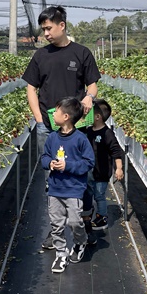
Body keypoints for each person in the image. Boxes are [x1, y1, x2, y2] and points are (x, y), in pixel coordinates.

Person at [22, 5, 100, 249]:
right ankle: (56, 231)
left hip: (78, 129)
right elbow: (31, 88)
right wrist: (38, 118)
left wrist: (89, 97)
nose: (45, 33)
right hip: (49, 127)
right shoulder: (41, 56)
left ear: (62, 25)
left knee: (82, 176)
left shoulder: (81, 53)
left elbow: (93, 85)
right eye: (43, 29)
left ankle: (84, 221)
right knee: (52, 179)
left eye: (48, 28)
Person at [41, 97, 96, 273]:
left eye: (56, 112)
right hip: (55, 188)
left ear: (65, 116)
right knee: (56, 223)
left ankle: (80, 242)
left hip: (74, 189)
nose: (53, 114)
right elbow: (44, 157)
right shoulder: (51, 138)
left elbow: (89, 162)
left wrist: (68, 166)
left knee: (74, 221)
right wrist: (50, 163)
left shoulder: (80, 139)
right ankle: (60, 253)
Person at [82, 99, 125, 233]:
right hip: (90, 170)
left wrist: (119, 168)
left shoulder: (107, 133)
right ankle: (90, 211)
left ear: (98, 117)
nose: (86, 114)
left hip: (102, 172)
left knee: (99, 195)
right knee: (90, 192)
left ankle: (102, 218)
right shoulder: (89, 131)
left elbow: (116, 151)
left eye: (90, 113)